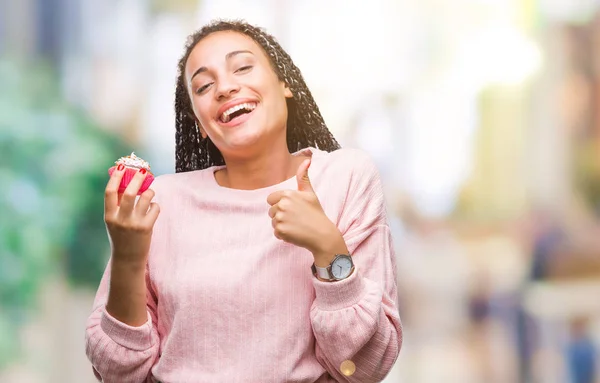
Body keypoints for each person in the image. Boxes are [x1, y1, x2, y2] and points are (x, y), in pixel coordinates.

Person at [85, 20, 402, 383]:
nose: (225, 87)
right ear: (200, 124)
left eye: (243, 67)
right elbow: (118, 373)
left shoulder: (346, 178)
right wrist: (126, 257)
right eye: (204, 86)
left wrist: (328, 248)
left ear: (285, 84)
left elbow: (364, 369)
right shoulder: (162, 202)